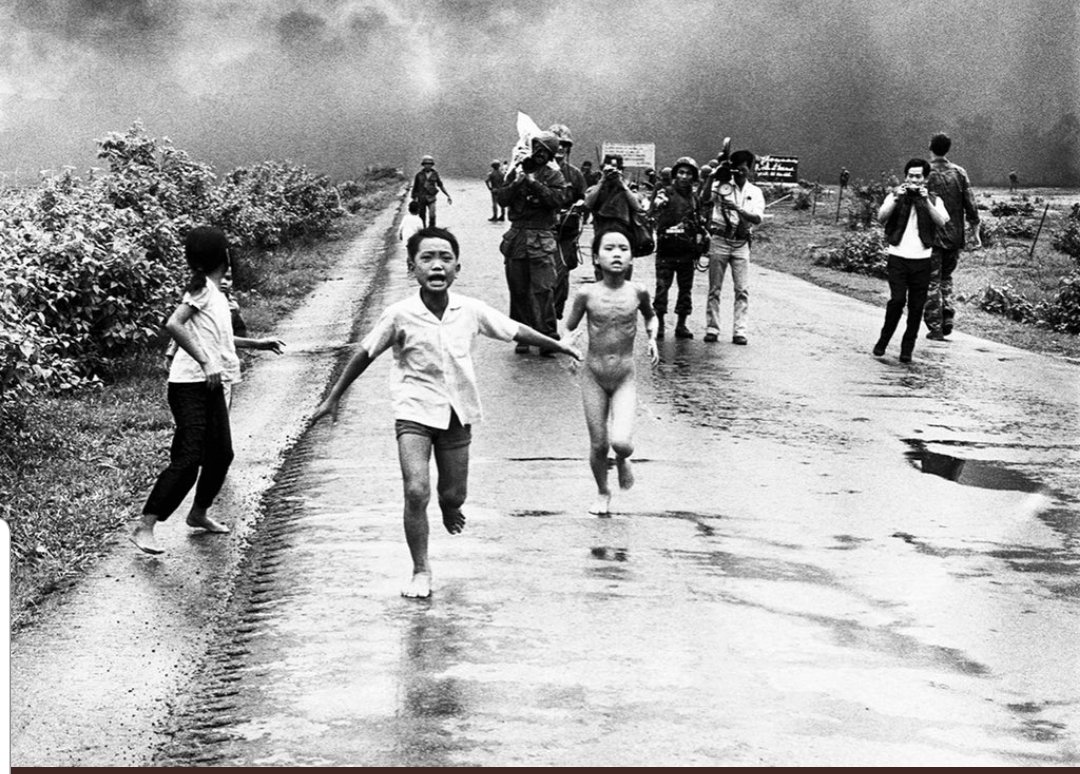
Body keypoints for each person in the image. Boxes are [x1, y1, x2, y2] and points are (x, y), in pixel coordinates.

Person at [309, 227, 581, 598]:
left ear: (457, 268)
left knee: (454, 495)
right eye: (427, 258)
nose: (437, 265)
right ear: (412, 267)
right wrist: (333, 397)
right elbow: (365, 352)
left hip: (457, 414)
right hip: (414, 412)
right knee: (415, 490)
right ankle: (421, 569)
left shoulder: (470, 310)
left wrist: (559, 346)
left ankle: (449, 505)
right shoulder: (400, 314)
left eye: (445, 258)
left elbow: (515, 330)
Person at [132, 227, 286, 555]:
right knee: (189, 459)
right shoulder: (202, 290)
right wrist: (204, 362)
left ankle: (198, 513)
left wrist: (257, 343)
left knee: (221, 454)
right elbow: (173, 324)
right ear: (223, 256)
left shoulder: (216, 294)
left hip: (211, 383)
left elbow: (220, 337)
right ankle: (145, 526)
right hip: (188, 386)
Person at [565, 226, 659, 516]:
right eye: (609, 248)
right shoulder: (586, 294)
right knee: (598, 444)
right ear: (596, 257)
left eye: (623, 249)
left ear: (631, 258)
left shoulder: (638, 291)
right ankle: (603, 492)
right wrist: (570, 344)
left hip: (624, 376)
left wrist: (652, 337)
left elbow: (651, 316)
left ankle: (622, 458)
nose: (616, 254)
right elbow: (570, 326)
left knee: (621, 442)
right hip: (593, 375)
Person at [495, 131, 571, 356]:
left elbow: (557, 200)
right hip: (517, 237)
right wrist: (518, 181)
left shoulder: (554, 175)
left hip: (541, 237)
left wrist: (534, 183)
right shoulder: (516, 170)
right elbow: (502, 199)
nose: (539, 153)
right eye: (537, 148)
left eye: (545, 151)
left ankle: (548, 337)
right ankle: (522, 336)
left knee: (543, 289)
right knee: (518, 289)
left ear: (550, 155)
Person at [872, 158, 950, 363]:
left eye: (918, 177)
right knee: (897, 300)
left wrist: (925, 201)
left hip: (922, 260)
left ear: (925, 179)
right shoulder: (895, 195)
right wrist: (896, 198)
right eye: (911, 176)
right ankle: (883, 341)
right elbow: (881, 217)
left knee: (916, 307)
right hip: (897, 256)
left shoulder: (934, 199)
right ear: (905, 177)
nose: (914, 180)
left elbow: (942, 222)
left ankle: (907, 350)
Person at [700, 149, 764, 344]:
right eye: (737, 168)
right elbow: (704, 199)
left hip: (741, 242)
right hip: (720, 239)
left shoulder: (755, 192)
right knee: (715, 289)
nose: (740, 172)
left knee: (742, 289)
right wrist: (713, 176)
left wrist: (738, 209)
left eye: (744, 168)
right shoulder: (722, 185)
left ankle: (740, 331)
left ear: (750, 169)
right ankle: (712, 328)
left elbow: (757, 218)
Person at [924, 133, 981, 340]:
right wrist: (975, 231)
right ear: (947, 149)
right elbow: (971, 204)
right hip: (955, 235)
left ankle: (935, 326)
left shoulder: (925, 173)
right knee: (946, 277)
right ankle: (947, 312)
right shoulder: (960, 173)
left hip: (931, 236)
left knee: (931, 280)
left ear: (930, 147)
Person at [650, 156, 705, 339]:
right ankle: (659, 324)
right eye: (681, 172)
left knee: (685, 290)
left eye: (688, 173)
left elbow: (699, 221)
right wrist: (660, 203)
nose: (684, 176)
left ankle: (681, 325)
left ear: (693, 177)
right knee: (662, 288)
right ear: (675, 174)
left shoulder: (695, 198)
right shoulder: (665, 192)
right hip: (666, 249)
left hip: (687, 251)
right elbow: (656, 205)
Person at [584, 153, 646, 278]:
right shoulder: (596, 188)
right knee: (601, 274)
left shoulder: (628, 188)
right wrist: (602, 180)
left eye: (616, 169)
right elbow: (588, 203)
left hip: (624, 236)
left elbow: (638, 206)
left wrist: (621, 183)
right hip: (601, 235)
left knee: (624, 274)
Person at [549, 123, 587, 319]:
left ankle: (554, 316)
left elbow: (585, 199)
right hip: (543, 230)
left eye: (564, 145)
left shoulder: (575, 174)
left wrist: (579, 206)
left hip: (566, 234)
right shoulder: (539, 171)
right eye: (556, 144)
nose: (561, 148)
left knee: (561, 274)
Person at [411, 155, 452, 228]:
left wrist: (447, 195)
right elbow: (415, 187)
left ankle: (432, 229)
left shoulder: (435, 174)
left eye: (429, 164)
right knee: (422, 216)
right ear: (423, 165)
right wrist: (414, 199)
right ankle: (423, 229)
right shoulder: (419, 175)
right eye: (426, 164)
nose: (428, 165)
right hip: (421, 199)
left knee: (432, 215)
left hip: (431, 198)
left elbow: (440, 185)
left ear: (432, 165)